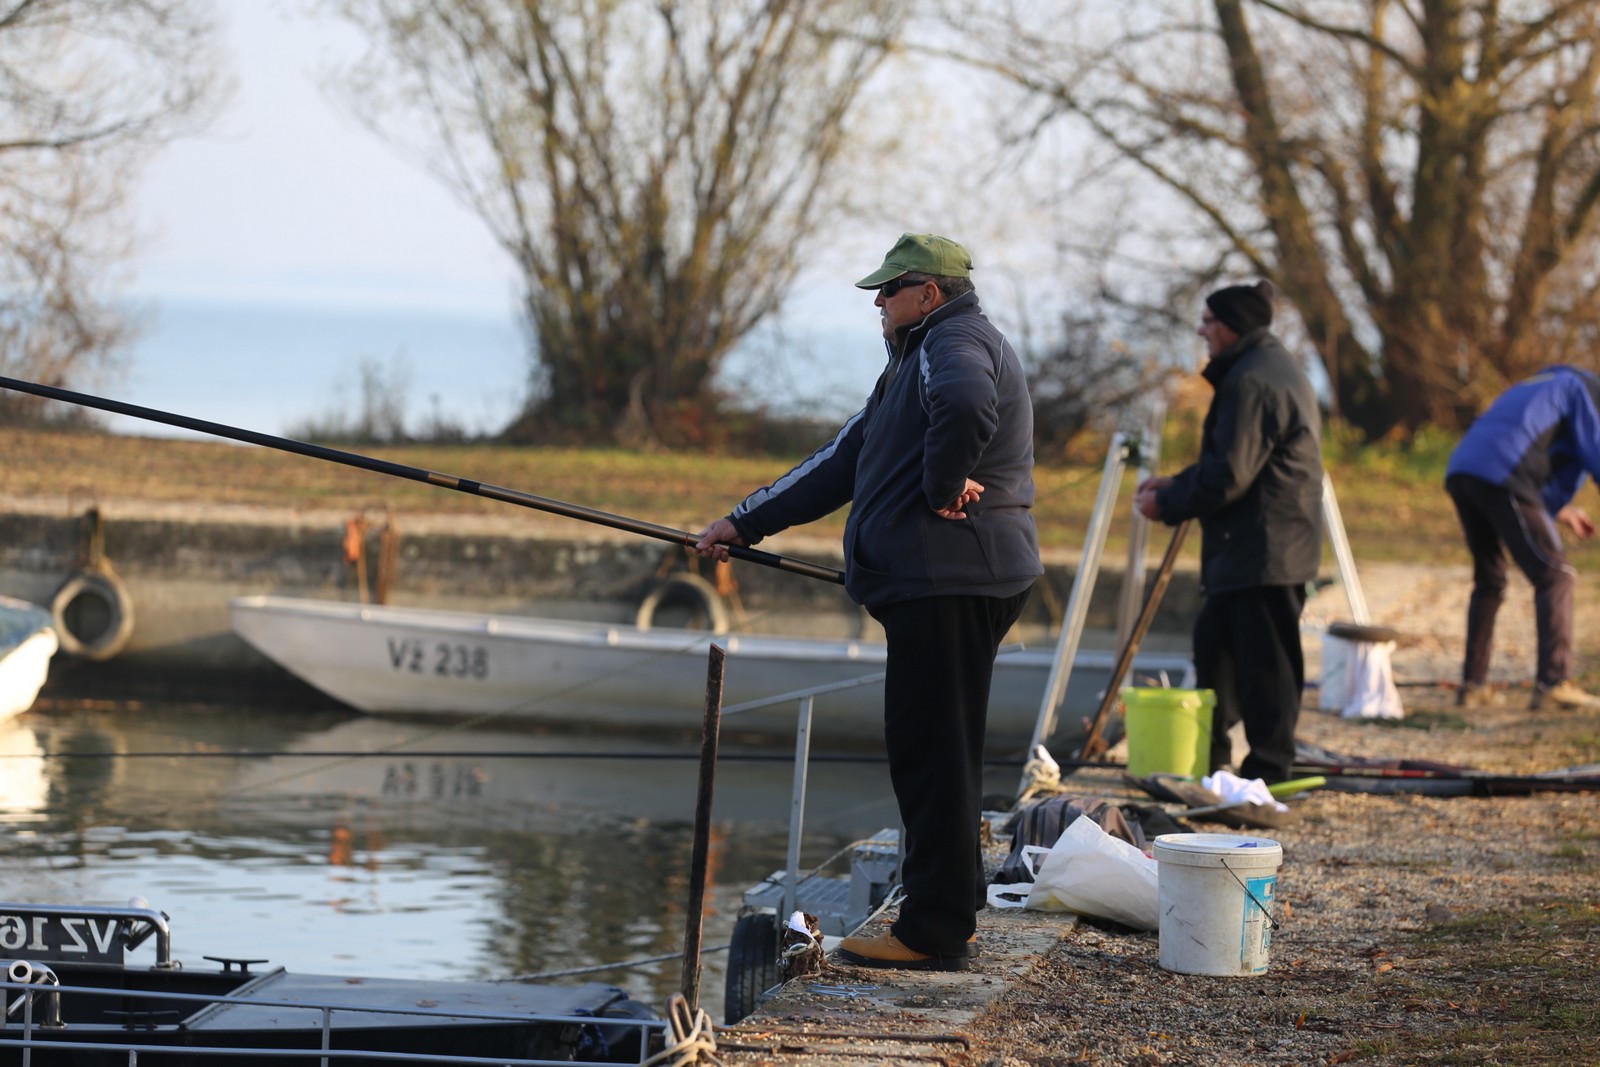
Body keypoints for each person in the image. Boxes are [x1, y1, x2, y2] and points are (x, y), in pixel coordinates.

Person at [693, 233, 1042, 972]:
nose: (878, 303)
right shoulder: (911, 363)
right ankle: (948, 908)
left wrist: (944, 485)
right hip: (941, 585)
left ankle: (933, 928)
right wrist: (742, 521)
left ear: (929, 293)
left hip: (949, 584)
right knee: (935, 749)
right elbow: (843, 459)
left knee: (933, 755)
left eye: (889, 290)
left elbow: (969, 402)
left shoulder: (955, 341)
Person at [1135, 281, 1323, 785]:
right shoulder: (1262, 369)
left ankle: (1271, 773)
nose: (1201, 330)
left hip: (1266, 549)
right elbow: (1236, 462)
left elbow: (1228, 476)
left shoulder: (1252, 381)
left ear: (1234, 326)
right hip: (1255, 546)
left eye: (1209, 321)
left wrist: (1167, 503)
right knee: (1214, 650)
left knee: (1267, 667)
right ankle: (1210, 764)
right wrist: (1176, 482)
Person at [1444, 366, 1600, 710]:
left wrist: (1562, 511)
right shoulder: (1585, 390)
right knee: (1556, 576)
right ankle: (1554, 683)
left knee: (1491, 580)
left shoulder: (1544, 382)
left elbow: (1530, 445)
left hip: (1464, 469)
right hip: (1502, 473)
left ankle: (1472, 686)